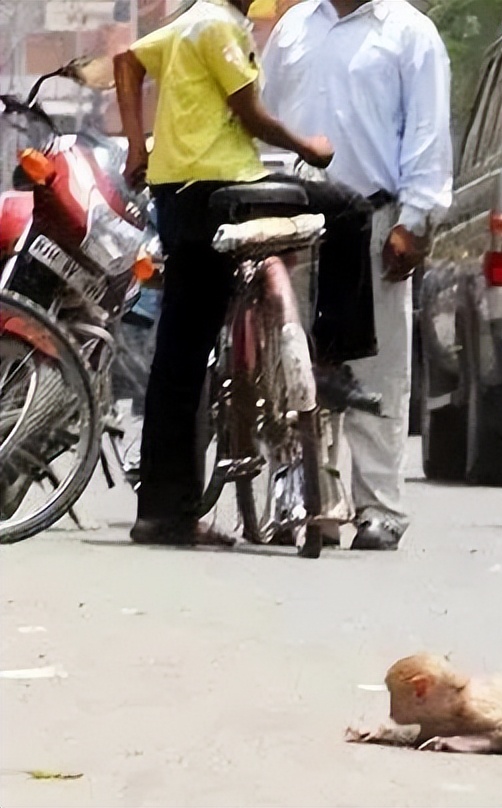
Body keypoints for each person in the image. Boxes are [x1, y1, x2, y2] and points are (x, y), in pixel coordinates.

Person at [114, 0, 381, 546]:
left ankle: (165, 511)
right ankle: (331, 359)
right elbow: (249, 113)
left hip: (175, 196)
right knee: (350, 211)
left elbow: (125, 62)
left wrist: (138, 147)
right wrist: (312, 147)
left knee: (180, 354)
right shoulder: (218, 26)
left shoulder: (186, 23)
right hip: (225, 191)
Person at [260, 0, 453, 551]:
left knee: (377, 368)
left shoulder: (409, 32)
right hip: (293, 217)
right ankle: (302, 500)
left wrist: (415, 221)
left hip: (372, 218)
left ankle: (380, 509)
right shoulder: (295, 27)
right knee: (291, 366)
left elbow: (427, 133)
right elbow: (265, 117)